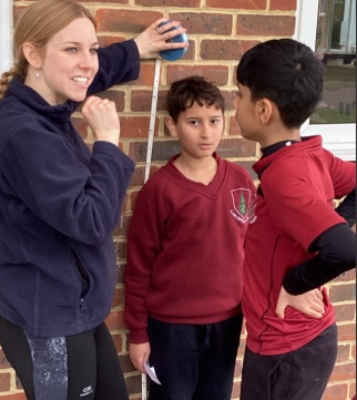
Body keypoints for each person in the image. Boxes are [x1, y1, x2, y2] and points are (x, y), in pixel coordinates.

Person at [0, 1, 189, 399]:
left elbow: (89, 73)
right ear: (33, 54)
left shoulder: (48, 105)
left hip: (76, 311)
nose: (87, 62)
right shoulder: (26, 134)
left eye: (93, 48)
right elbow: (91, 221)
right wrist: (107, 143)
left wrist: (136, 48)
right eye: (72, 49)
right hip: (50, 323)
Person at [232, 38, 356, 400]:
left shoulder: (284, 176)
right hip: (299, 343)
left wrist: (295, 282)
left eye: (239, 95)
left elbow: (344, 251)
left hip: (286, 346)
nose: (235, 104)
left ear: (263, 110)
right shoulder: (309, 156)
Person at [124, 76, 256, 400]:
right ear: (172, 125)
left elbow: (253, 249)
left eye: (214, 121)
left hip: (228, 321)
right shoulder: (159, 189)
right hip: (171, 328)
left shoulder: (240, 180)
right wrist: (138, 333)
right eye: (194, 122)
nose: (206, 132)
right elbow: (139, 267)